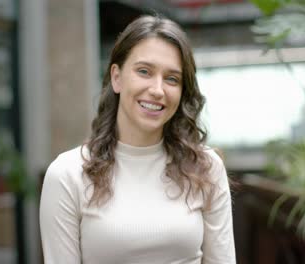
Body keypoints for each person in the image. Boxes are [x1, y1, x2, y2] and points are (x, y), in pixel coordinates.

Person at [40, 15, 236, 264]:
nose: (157, 89)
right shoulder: (67, 174)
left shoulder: (206, 168)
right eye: (144, 71)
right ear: (117, 77)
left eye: (172, 79)